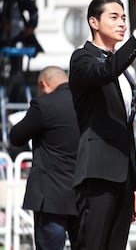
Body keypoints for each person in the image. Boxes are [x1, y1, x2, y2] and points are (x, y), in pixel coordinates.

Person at [68, 0, 136, 250]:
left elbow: (126, 130)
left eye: (124, 18)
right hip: (97, 172)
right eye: (114, 17)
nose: (122, 24)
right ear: (94, 22)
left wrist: (135, 186)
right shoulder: (82, 58)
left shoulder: (124, 72)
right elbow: (105, 71)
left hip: (123, 178)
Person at [9, 66, 79, 249]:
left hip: (51, 197)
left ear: (43, 84)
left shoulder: (44, 104)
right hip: (83, 195)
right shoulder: (86, 102)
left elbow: (16, 136)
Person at [0, 0, 43, 103]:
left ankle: (14, 103)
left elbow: (33, 10)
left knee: (17, 74)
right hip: (2, 39)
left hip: (15, 40)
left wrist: (30, 27)